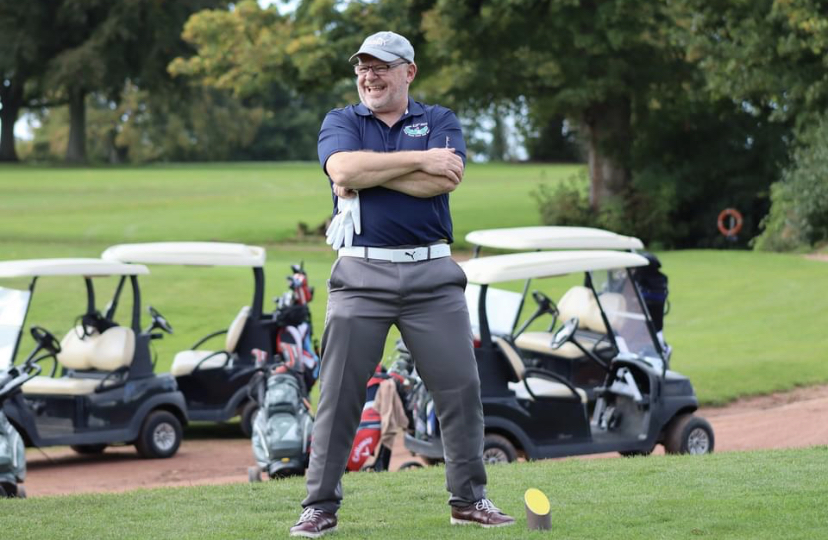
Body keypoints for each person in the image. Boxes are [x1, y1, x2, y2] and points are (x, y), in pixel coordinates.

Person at [289, 31, 515, 538]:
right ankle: (319, 506)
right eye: (363, 68)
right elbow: (341, 167)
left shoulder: (439, 119)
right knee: (339, 396)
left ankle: (468, 501)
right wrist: (417, 159)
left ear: (408, 72)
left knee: (460, 391)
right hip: (360, 275)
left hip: (433, 276)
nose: (369, 76)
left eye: (381, 67)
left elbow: (444, 178)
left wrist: (367, 173)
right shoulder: (342, 121)